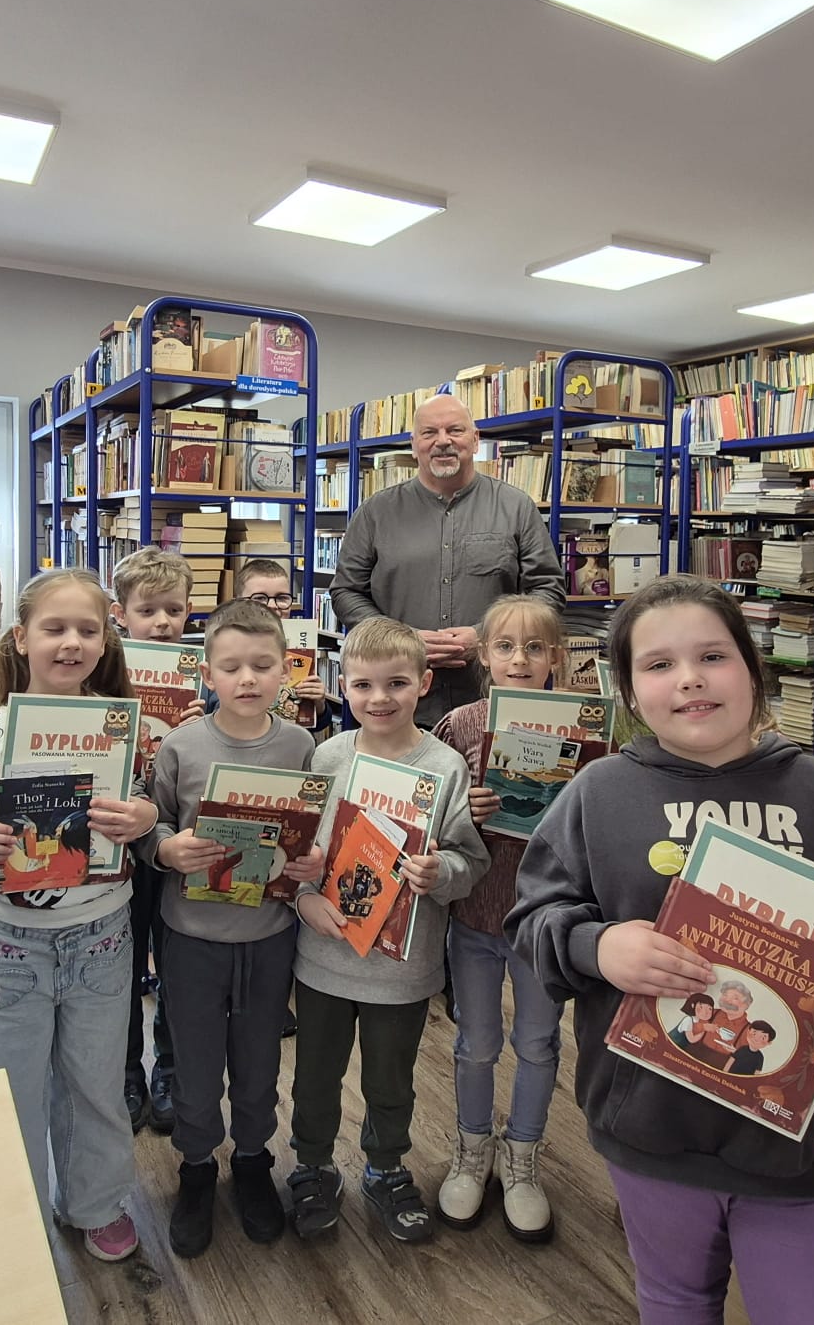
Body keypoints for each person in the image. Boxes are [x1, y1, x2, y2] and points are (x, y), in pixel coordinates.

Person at [508, 575, 814, 1324]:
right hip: (654, 1128)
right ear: (628, 690)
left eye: (713, 656)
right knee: (675, 1301)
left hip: (805, 1141)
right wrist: (598, 946)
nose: (689, 678)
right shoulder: (596, 795)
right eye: (659, 665)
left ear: (753, 670)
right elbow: (533, 921)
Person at [0, 568, 158, 1264]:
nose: (71, 643)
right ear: (21, 637)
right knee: (13, 1086)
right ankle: (20, 1211)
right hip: (13, 943)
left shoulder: (123, 725)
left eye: (87, 630)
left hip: (103, 934)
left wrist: (144, 817)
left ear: (105, 641)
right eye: (54, 628)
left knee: (95, 1081)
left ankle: (95, 1203)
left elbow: (147, 808)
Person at [288, 617, 489, 1244]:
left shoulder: (446, 766)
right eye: (363, 685)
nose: (379, 698)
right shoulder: (327, 757)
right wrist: (303, 898)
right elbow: (299, 851)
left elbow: (470, 860)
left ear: (424, 684)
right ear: (342, 686)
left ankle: (385, 1167)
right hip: (324, 957)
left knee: (390, 1080)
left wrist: (441, 871)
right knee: (314, 1076)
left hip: (404, 967)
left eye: (397, 683)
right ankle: (313, 1166)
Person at [138, 597, 324, 1257]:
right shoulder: (181, 746)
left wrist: (312, 861)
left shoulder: (301, 745)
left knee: (258, 1062)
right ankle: (195, 1168)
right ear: (207, 674)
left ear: (286, 670)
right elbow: (153, 824)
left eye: (263, 666)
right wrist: (167, 849)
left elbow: (316, 831)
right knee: (194, 1067)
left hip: (269, 938)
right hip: (191, 938)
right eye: (232, 667)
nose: (248, 679)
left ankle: (251, 1161)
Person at [431, 593, 567, 1241]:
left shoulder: (582, 728)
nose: (520, 659)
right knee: (475, 1042)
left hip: (544, 920)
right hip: (477, 915)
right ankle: (472, 1149)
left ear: (555, 657)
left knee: (538, 1042)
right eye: (506, 646)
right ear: (483, 655)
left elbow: (597, 818)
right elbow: (427, 813)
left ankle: (523, 1155)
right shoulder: (460, 724)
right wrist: (466, 811)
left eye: (535, 647)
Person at [330, 392, 563, 727]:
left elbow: (548, 592)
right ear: (414, 445)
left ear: (475, 439)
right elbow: (345, 592)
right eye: (429, 433)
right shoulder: (375, 512)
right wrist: (401, 641)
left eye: (455, 430)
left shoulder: (516, 507)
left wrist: (486, 637)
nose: (442, 441)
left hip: (493, 704)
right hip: (400, 705)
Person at [110, 545, 194, 1137]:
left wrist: (200, 726)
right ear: (121, 615)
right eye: (148, 611)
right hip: (119, 846)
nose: (163, 622)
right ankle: (125, 1070)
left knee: (175, 962)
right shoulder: (102, 676)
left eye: (174, 610)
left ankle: (168, 1066)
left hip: (176, 842)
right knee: (121, 962)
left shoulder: (203, 675)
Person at [235, 557, 330, 732]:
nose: (272, 606)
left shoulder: (300, 647)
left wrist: (319, 704)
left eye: (282, 598)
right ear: (238, 602)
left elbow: (317, 725)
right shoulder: (226, 649)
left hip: (288, 741)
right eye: (259, 598)